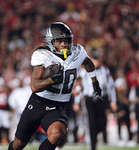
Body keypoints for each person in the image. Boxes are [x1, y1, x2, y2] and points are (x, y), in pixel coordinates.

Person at [8, 22, 103, 150]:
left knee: (57, 133)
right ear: (51, 41)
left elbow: (88, 63)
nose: (63, 44)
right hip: (38, 103)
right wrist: (51, 80)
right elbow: (34, 86)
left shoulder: (78, 52)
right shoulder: (43, 55)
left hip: (58, 105)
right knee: (18, 144)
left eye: (66, 41)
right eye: (59, 41)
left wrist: (94, 81)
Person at [77, 49, 117, 150]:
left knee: (102, 122)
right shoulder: (84, 71)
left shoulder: (105, 71)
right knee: (91, 123)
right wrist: (77, 101)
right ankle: (93, 146)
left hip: (102, 99)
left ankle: (97, 135)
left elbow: (111, 87)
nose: (96, 62)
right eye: (94, 59)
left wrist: (113, 101)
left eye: (98, 59)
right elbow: (79, 86)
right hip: (89, 100)